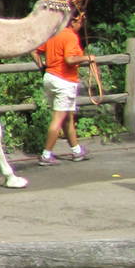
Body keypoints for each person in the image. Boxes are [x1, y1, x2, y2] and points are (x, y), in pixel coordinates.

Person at [33, 11, 94, 164]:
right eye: (80, 22)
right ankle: (46, 155)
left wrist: (41, 66)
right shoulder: (70, 36)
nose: (81, 25)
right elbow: (70, 59)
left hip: (50, 77)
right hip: (64, 80)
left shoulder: (53, 33)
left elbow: (34, 50)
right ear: (72, 22)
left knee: (68, 117)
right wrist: (88, 58)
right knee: (59, 118)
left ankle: (76, 151)